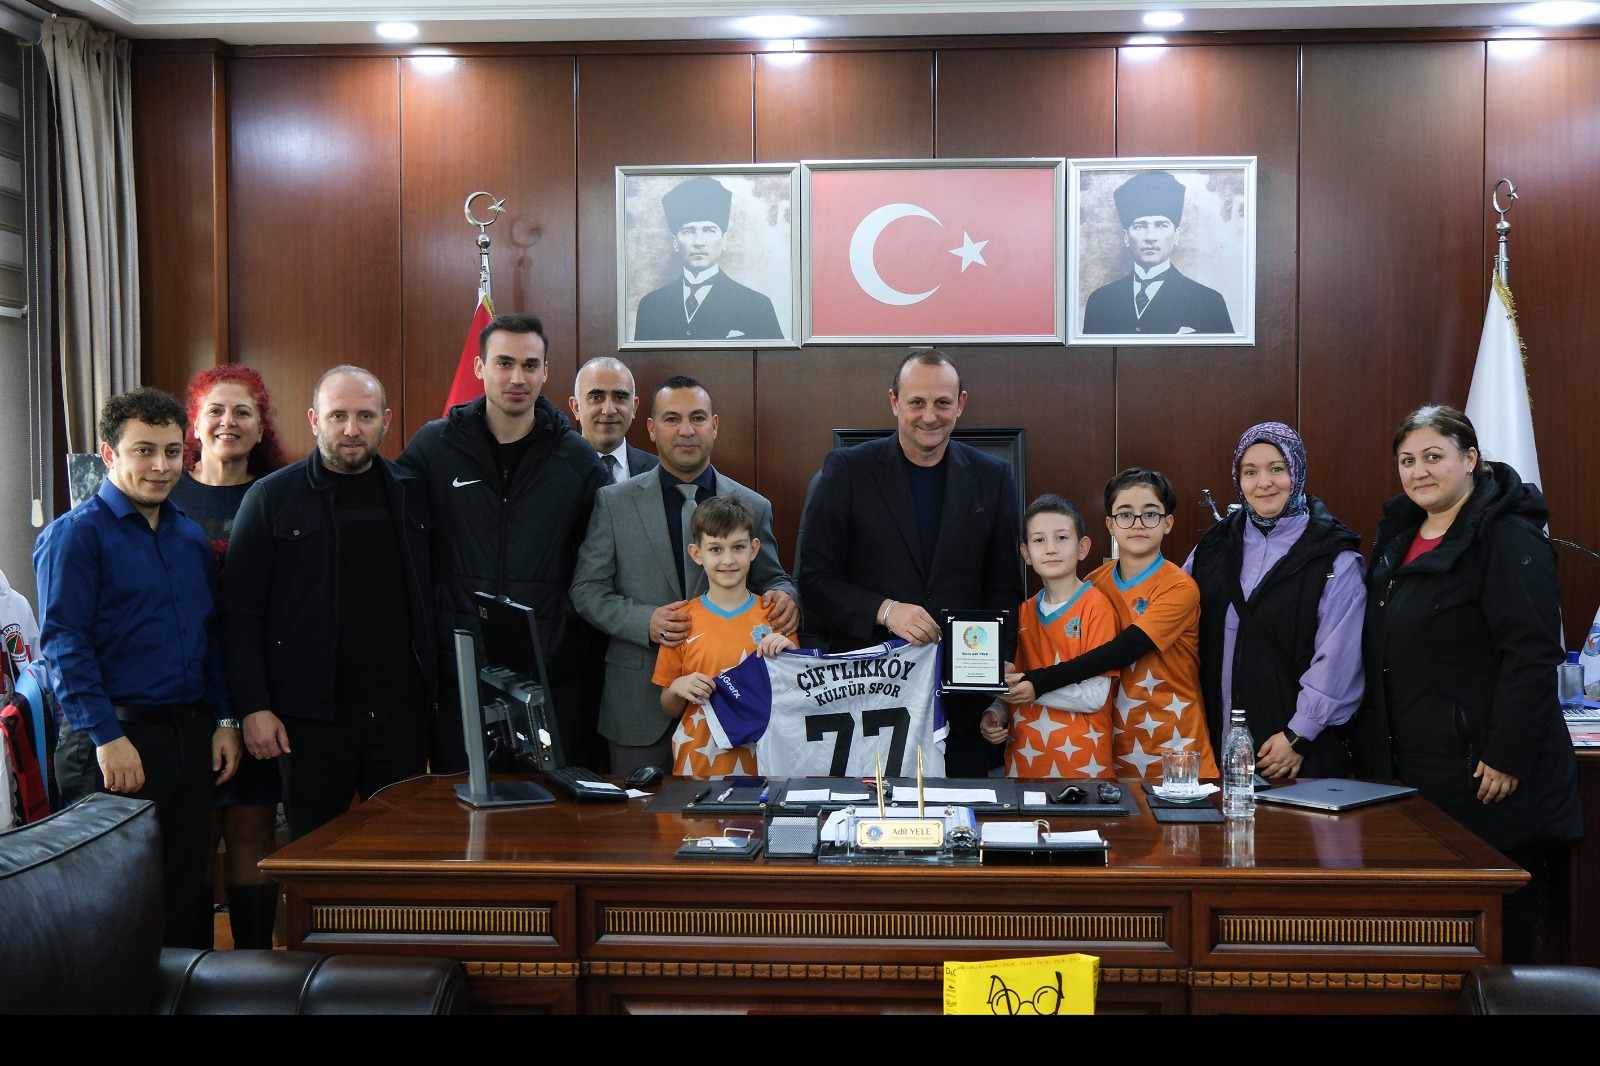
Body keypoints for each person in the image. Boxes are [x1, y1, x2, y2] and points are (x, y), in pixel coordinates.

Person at [1355, 404, 1581, 964]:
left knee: (1495, 934)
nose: (1419, 471)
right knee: (1434, 939)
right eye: (1407, 460)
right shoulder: (1399, 533)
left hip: (1487, 776)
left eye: (1434, 456)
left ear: (1471, 458)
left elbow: (1531, 653)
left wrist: (1506, 753)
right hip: (1418, 772)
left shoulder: (1507, 535)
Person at [34, 386, 242, 948]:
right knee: (112, 907)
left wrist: (225, 719)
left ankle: (185, 991)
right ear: (109, 454)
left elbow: (208, 636)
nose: (161, 466)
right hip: (112, 740)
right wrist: (107, 737)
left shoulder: (188, 536)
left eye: (172, 452)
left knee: (185, 896)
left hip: (189, 738)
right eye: (144, 451)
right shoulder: (75, 536)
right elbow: (64, 645)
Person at [223, 366, 436, 841]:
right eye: (338, 415)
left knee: (401, 854)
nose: (351, 429)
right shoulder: (270, 498)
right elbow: (239, 615)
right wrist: (254, 707)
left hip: (402, 718)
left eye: (365, 416)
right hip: (309, 722)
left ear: (386, 420)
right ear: (315, 420)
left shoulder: (414, 492)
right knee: (313, 855)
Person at [400, 314, 610, 773]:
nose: (518, 378)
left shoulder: (577, 460)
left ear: (545, 372)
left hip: (549, 679)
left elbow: (601, 565)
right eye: (504, 363)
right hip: (458, 678)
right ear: (479, 367)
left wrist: (564, 639)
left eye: (530, 365)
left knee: (548, 812)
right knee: (462, 810)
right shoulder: (433, 449)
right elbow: (402, 551)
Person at [797, 348, 1022, 776]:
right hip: (868, 697)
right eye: (917, 402)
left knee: (962, 813)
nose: (930, 416)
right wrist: (886, 610)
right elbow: (815, 579)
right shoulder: (848, 469)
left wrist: (999, 666)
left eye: (942, 403)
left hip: (963, 705)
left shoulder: (993, 476)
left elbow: (1004, 586)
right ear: (894, 402)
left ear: (961, 404)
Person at [571, 375, 798, 777]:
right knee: (638, 817)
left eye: (697, 418)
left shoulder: (753, 506)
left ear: (715, 425)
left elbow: (773, 578)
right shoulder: (614, 502)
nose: (687, 430)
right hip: (638, 706)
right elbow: (587, 590)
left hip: (735, 714)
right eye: (672, 419)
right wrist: (645, 621)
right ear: (652, 428)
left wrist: (787, 597)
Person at [170, 365, 290, 949]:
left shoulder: (280, 493)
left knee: (252, 822)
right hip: (184, 686)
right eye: (215, 410)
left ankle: (253, 965)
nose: (228, 422)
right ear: (194, 423)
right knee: (195, 830)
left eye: (243, 411)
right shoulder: (166, 490)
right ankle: (194, 969)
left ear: (261, 425)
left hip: (257, 681)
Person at [1006, 469, 1217, 781]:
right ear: (1110, 525)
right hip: (1110, 747)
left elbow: (1123, 650)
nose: (1137, 524)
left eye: (1150, 514)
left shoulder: (1179, 587)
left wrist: (1038, 682)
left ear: (1168, 523)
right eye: (1125, 514)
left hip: (1172, 742)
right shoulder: (1094, 583)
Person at [1184, 422, 1365, 780]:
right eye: (1250, 472)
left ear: (1297, 471)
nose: (1263, 483)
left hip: (1290, 754)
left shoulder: (1334, 558)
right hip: (1211, 750)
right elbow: (1176, 617)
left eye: (1277, 469)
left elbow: (1338, 659)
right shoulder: (1213, 546)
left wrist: (1299, 735)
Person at [653, 494, 795, 778]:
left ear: (754, 549)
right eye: (716, 549)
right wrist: (679, 686)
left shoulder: (775, 618)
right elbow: (669, 706)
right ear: (697, 554)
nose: (728, 560)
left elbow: (796, 698)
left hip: (765, 767)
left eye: (738, 547)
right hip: (697, 767)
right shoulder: (682, 621)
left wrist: (791, 654)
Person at [978, 494, 1119, 778]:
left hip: (1083, 765)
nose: (1051, 548)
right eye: (1039, 540)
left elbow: (1095, 697)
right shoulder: (1022, 612)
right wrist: (995, 712)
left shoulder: (1097, 607)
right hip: (1024, 764)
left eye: (1062, 538)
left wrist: (1033, 689)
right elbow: (1015, 681)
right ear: (1026, 553)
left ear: (1082, 547)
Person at [1081, 170, 1234, 335]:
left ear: (1176, 235)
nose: (1150, 237)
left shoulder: (1208, 302)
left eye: (1161, 225)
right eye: (1140, 226)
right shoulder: (1101, 301)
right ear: (1126, 237)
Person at [632, 175, 784, 342]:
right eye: (688, 231)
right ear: (675, 243)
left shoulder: (756, 306)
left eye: (709, 230)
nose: (698, 242)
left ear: (724, 240)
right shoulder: (651, 306)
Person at [568, 356, 658, 484]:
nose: (609, 410)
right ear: (576, 408)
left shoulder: (658, 471)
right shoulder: (551, 470)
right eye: (596, 397)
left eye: (620, 397)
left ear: (634, 407)